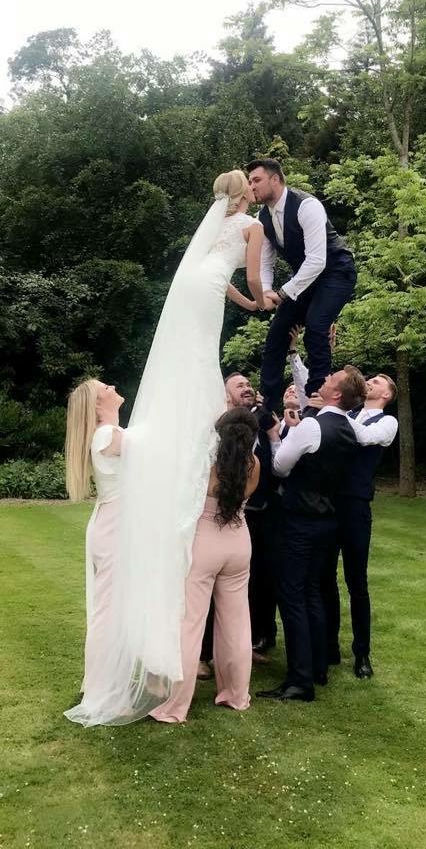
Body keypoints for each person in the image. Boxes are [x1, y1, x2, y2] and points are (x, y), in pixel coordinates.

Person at [66, 170, 269, 726]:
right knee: (201, 358)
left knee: (193, 356)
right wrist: (262, 301)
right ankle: (231, 690)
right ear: (245, 194)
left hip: (195, 289)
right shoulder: (251, 226)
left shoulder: (213, 228)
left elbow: (211, 277)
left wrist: (237, 299)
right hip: (208, 291)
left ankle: (167, 689)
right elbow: (251, 282)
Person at [257, 366, 367, 703]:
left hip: (300, 520)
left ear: (336, 394)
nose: (324, 380)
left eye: (331, 380)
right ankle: (318, 665)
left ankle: (300, 681)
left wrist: (277, 436)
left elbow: (280, 467)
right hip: (328, 520)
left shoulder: (311, 426)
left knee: (293, 598)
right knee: (313, 594)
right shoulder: (350, 428)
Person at [151, 408, 260, 723]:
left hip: (204, 543)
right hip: (239, 543)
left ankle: (175, 705)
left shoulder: (203, 467)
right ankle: (236, 695)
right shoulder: (254, 465)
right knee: (238, 623)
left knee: (190, 624)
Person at [247, 159, 356, 410]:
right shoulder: (261, 218)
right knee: (277, 333)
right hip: (305, 281)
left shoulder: (307, 206)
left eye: (256, 180)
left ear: (275, 179)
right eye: (250, 181)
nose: (251, 186)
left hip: (336, 272)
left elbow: (317, 261)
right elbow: (266, 263)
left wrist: (283, 293)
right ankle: (266, 404)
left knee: (317, 325)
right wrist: (265, 292)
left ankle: (318, 400)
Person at [325, 374, 398, 678]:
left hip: (355, 507)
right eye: (369, 378)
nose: (372, 380)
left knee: (357, 582)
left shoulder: (387, 423)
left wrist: (337, 411)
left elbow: (364, 438)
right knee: (325, 577)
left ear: (387, 395)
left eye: (379, 380)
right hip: (328, 504)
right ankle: (329, 645)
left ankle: (362, 653)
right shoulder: (349, 411)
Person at [63, 379, 124, 722]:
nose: (113, 385)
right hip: (114, 527)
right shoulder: (107, 434)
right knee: (107, 611)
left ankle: (104, 683)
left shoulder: (109, 431)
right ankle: (102, 691)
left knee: (111, 609)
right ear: (99, 403)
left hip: (114, 524)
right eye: (106, 387)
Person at [224, 372, 279, 660]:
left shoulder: (266, 419)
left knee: (263, 576)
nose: (246, 388)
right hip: (227, 514)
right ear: (226, 395)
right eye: (239, 385)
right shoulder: (221, 425)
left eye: (248, 384)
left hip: (265, 510)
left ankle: (259, 636)